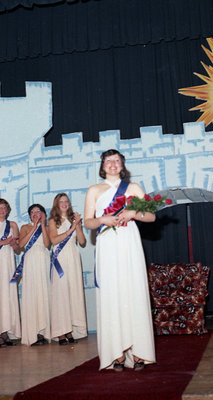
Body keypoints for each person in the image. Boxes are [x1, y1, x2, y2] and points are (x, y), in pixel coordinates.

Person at [84, 149, 156, 371]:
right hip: (107, 245)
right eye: (108, 161)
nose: (112, 164)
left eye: (116, 160)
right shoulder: (94, 190)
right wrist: (102, 218)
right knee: (112, 294)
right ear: (102, 165)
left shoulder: (133, 188)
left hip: (128, 242)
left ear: (122, 165)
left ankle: (139, 353)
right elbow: (88, 222)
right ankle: (116, 354)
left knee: (132, 291)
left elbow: (151, 216)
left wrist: (134, 214)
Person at [49, 193, 87, 345]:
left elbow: (83, 241)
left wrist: (77, 225)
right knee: (60, 294)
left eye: (66, 201)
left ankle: (70, 330)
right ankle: (60, 332)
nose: (64, 204)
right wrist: (71, 228)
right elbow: (54, 240)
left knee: (73, 293)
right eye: (61, 201)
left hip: (73, 257)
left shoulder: (74, 220)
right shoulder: (53, 221)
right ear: (57, 204)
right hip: (60, 259)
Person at [18, 204, 51, 346]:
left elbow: (46, 244)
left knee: (43, 293)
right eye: (32, 212)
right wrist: (34, 226)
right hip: (30, 261)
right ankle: (32, 333)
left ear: (43, 213)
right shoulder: (25, 227)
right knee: (32, 295)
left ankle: (43, 332)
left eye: (38, 211)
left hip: (43, 260)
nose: (35, 213)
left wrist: (42, 225)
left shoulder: (48, 228)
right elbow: (21, 245)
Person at [0, 199, 21, 347]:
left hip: (8, 262)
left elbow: (18, 249)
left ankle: (5, 333)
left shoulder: (12, 225)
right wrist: (3, 242)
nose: (2, 210)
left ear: (8, 210)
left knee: (7, 296)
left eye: (4, 208)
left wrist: (13, 243)